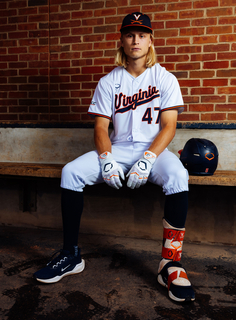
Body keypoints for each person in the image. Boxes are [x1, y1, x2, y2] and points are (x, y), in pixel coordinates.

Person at [33, 12, 195, 302]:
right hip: (117, 148)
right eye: (131, 34)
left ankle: (170, 263)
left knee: (178, 175)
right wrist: (106, 159)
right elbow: (100, 127)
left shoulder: (164, 77)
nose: (136, 40)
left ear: (150, 41)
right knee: (71, 171)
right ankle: (71, 255)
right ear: (121, 40)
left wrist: (147, 159)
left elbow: (169, 126)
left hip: (155, 149)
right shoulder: (109, 81)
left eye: (142, 35)